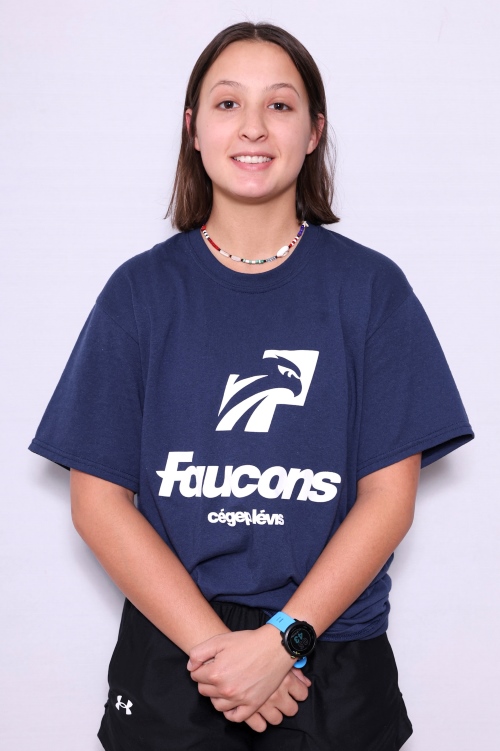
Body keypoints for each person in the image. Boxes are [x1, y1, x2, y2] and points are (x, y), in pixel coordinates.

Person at [29, 21, 474, 751]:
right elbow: (98, 502)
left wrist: (282, 640)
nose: (254, 127)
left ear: (314, 131)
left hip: (332, 648)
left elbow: (389, 500)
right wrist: (220, 653)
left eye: (281, 105)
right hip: (177, 647)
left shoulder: (372, 291)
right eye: (229, 103)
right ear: (193, 128)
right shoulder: (139, 294)